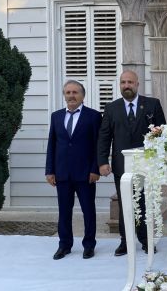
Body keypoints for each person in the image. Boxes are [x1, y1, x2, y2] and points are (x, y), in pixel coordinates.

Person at [98, 70, 166, 256]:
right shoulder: (112, 108)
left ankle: (146, 240)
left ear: (137, 84)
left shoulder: (152, 104)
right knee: (125, 204)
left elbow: (162, 135)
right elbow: (104, 137)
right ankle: (125, 242)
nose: (126, 85)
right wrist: (103, 161)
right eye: (123, 82)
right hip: (122, 166)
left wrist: (161, 161)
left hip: (147, 165)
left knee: (145, 203)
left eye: (130, 82)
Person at [45, 80, 102, 260]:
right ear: (64, 95)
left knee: (88, 211)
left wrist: (96, 169)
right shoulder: (56, 116)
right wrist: (50, 170)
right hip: (62, 173)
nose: (71, 96)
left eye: (75, 92)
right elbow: (52, 145)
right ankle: (65, 245)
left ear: (82, 96)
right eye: (68, 92)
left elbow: (98, 145)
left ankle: (89, 245)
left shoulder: (93, 116)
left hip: (86, 174)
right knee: (64, 211)